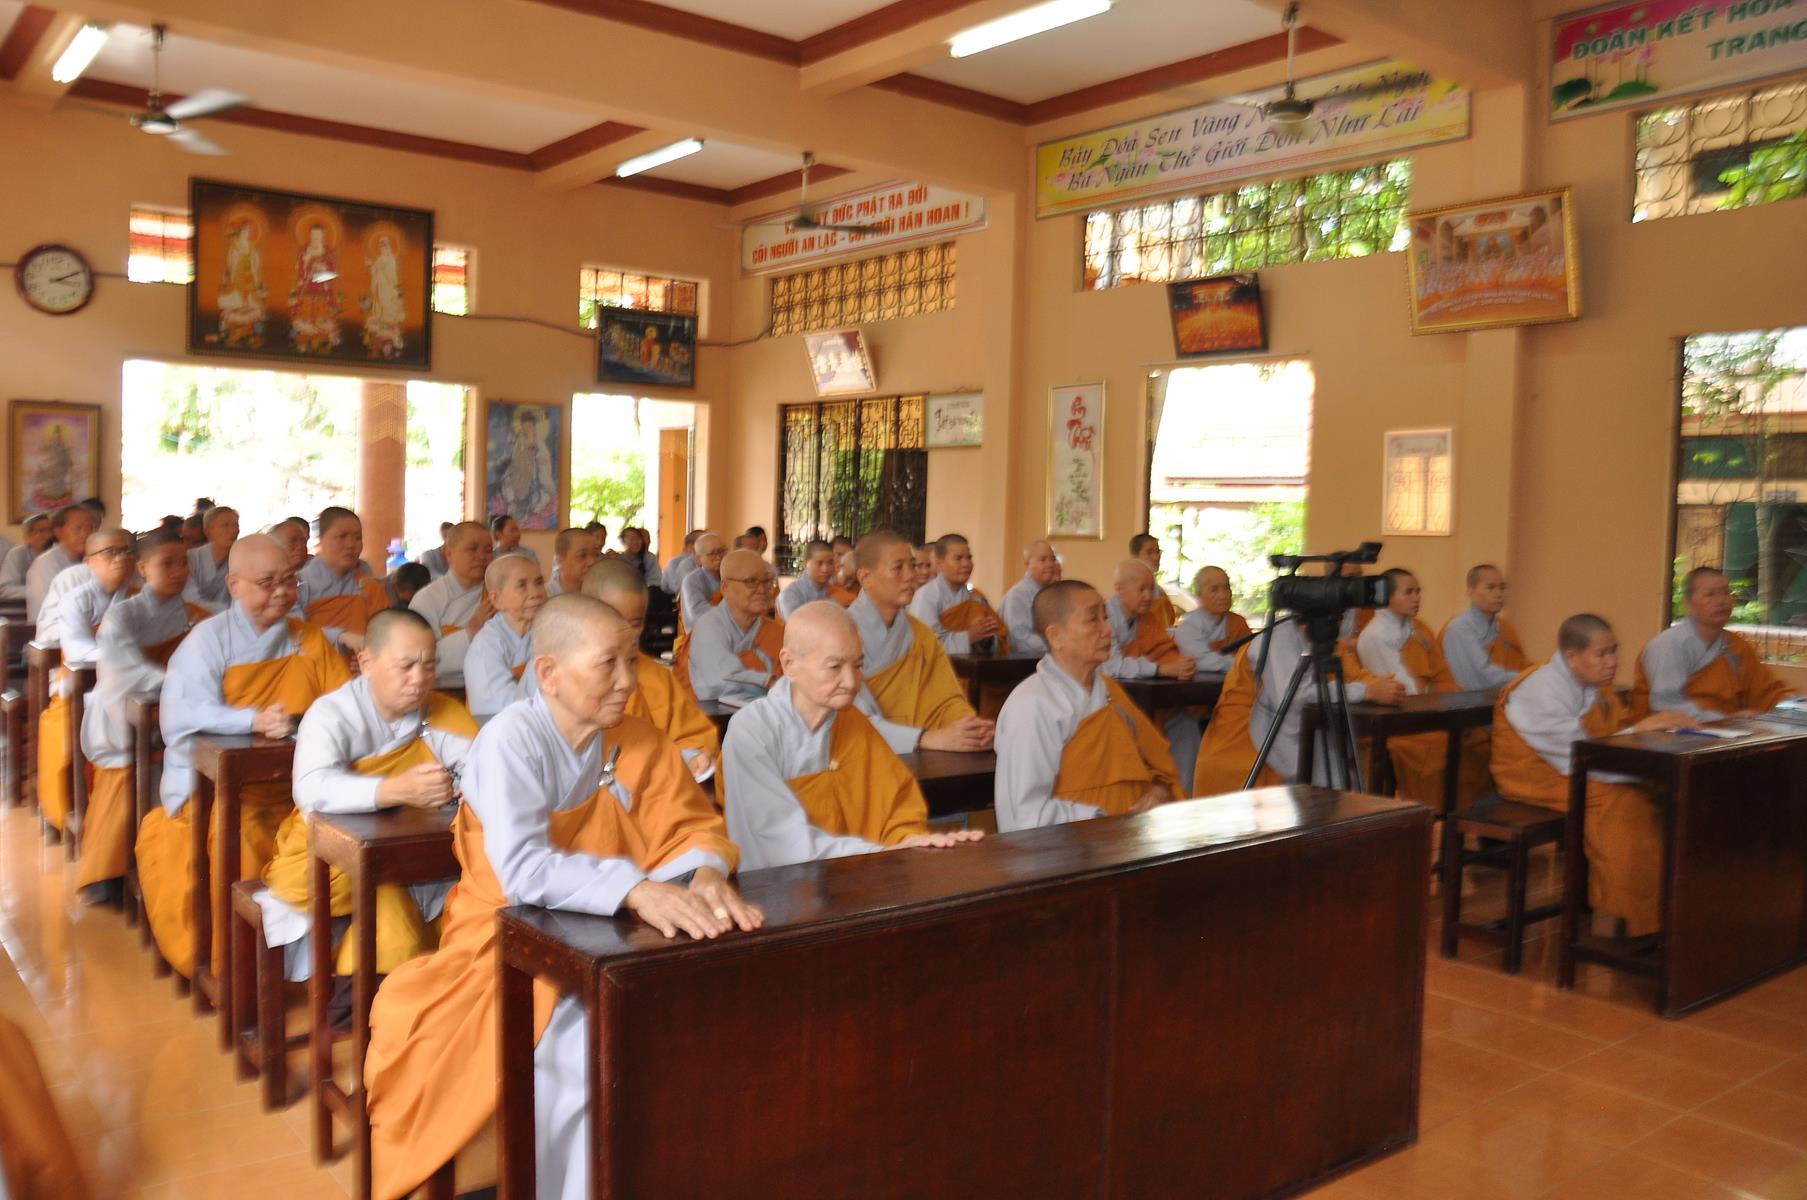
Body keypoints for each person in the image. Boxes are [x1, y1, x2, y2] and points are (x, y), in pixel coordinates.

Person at [364, 595, 761, 1200]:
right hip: (508, 942)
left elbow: (691, 827)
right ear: (548, 672)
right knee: (585, 1049)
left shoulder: (641, 740)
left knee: (705, 1016)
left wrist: (706, 870)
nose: (628, 681)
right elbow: (523, 872)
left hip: (618, 935)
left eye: (631, 660)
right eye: (608, 664)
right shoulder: (509, 742)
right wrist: (634, 888)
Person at [137, 534, 351, 979]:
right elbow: (181, 716)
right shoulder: (207, 640)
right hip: (223, 794)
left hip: (302, 788)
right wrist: (251, 721)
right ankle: (247, 966)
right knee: (246, 839)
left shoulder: (309, 638)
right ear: (234, 585)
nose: (282, 592)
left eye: (289, 580)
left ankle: (329, 960)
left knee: (349, 834)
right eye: (267, 582)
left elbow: (344, 706)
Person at [261, 610, 477, 982]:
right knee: (390, 906)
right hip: (331, 856)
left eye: (429, 666)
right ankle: (377, 992)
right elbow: (311, 788)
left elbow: (484, 767)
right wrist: (394, 789)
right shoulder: (332, 715)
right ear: (366, 663)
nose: (419, 679)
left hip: (412, 852)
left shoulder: (440, 711)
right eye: (406, 666)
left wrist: (464, 786)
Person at [724, 601, 983, 870]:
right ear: (789, 664)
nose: (851, 682)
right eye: (834, 667)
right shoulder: (752, 731)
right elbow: (782, 840)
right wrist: (882, 852)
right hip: (778, 886)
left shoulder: (852, 722)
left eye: (858, 666)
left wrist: (911, 841)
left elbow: (897, 807)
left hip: (860, 876)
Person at [1493, 614, 1689, 937]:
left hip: (1581, 766)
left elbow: (1604, 739)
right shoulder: (1541, 691)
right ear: (1572, 656)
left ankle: (1669, 910)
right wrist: (1641, 732)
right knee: (1626, 804)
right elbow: (1578, 757)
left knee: (1664, 792)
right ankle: (1631, 919)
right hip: (1537, 778)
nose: (1612, 662)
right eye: (1602, 654)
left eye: (1614, 651)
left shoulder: (1592, 686)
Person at [76, 531, 208, 902]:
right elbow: (125, 670)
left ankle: (171, 865)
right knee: (128, 771)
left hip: (181, 712)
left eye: (184, 562)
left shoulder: (196, 614)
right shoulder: (123, 615)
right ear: (143, 568)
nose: (179, 571)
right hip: (125, 716)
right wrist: (180, 684)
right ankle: (109, 870)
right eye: (168, 563)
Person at [995, 580, 1182, 830]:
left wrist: (1158, 791)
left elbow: (1158, 765)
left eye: (1106, 617)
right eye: (1093, 620)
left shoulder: (1110, 691)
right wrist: (1103, 819)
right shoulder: (1032, 706)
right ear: (1056, 636)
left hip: (1131, 835)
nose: (1108, 630)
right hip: (1072, 845)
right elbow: (1025, 815)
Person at [1194, 610, 1405, 797]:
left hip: (1303, 730)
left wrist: (1379, 686)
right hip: (1249, 738)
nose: (1342, 623)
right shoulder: (1277, 638)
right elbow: (1294, 695)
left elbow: (1353, 675)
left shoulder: (1325, 640)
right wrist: (1365, 691)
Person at [847, 531, 994, 753]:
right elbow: (852, 719)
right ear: (865, 577)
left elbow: (946, 700)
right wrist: (924, 738)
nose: (910, 576)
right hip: (867, 753)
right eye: (898, 568)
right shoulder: (840, 636)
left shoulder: (920, 635)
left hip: (923, 750)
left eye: (912, 566)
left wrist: (970, 727)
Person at [1357, 567, 1490, 807]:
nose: (1416, 598)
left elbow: (1442, 673)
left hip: (1432, 709)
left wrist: (1450, 700)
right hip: (1402, 720)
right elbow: (1404, 690)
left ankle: (1472, 815)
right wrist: (1436, 699)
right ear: (1387, 596)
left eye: (1418, 591)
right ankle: (1438, 812)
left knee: (1480, 739)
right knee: (1441, 749)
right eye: (1408, 592)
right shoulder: (1374, 636)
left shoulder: (1418, 629)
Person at [34, 527, 136, 838]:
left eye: (126, 551)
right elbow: (79, 651)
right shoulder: (75, 599)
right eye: (110, 552)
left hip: (133, 686)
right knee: (68, 732)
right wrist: (127, 656)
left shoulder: (141, 595)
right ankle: (71, 811)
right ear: (89, 561)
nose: (120, 558)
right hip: (81, 688)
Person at [581, 559, 720, 782]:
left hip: (652, 786)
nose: (626, 633)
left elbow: (691, 734)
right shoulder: (564, 675)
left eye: (635, 623)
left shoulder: (656, 677)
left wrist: (691, 757)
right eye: (615, 620)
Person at [1630, 566, 1797, 720]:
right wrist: (1725, 719)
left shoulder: (1736, 646)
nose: (1721, 601)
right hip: (1665, 735)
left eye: (1726, 593)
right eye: (1710, 594)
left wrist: (1795, 706)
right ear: (1688, 603)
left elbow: (1766, 692)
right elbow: (1667, 706)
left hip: (1726, 732)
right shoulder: (1669, 645)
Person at [1105, 559, 1201, 787]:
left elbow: (1164, 651)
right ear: (1119, 589)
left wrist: (1180, 665)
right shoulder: (1103, 617)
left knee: (1186, 725)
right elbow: (1111, 666)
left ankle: (1181, 795)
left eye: (1152, 589)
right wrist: (1162, 669)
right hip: (1112, 701)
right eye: (1141, 589)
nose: (1149, 596)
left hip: (1149, 700)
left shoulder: (1148, 618)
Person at [676, 549, 782, 702]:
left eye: (767, 582)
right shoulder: (708, 627)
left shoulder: (777, 631)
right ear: (725, 587)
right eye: (751, 582)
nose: (762, 590)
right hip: (713, 714)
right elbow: (722, 681)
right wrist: (773, 683)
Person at [408, 521, 495, 689]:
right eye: (473, 549)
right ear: (449, 554)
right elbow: (418, 656)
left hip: (491, 685)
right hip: (442, 689)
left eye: (488, 550)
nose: (482, 557)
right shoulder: (428, 598)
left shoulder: (498, 593)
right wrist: (471, 631)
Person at [464, 553, 549, 719]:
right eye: (522, 585)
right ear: (497, 599)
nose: (536, 593)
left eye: (539, 583)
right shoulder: (485, 646)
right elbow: (503, 715)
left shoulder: (548, 631)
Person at [297, 505, 391, 653]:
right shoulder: (300, 584)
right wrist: (341, 637)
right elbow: (293, 633)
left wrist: (370, 656)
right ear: (321, 540)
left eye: (357, 538)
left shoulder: (369, 586)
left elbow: (386, 634)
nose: (351, 544)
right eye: (341, 536)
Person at [909, 533, 1008, 654]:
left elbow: (999, 638)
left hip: (974, 664)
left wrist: (987, 638)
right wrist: (968, 637)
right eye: (958, 558)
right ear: (940, 563)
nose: (966, 564)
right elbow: (925, 644)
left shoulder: (976, 597)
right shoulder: (926, 596)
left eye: (969, 558)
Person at [1439, 563, 1532, 690]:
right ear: (1471, 591)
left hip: (1502, 697)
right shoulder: (1459, 628)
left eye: (1502, 587)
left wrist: (1538, 672)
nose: (1498, 594)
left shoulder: (1505, 629)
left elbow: (1520, 664)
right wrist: (1528, 677)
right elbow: (1482, 677)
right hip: (1466, 700)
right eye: (1490, 588)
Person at [23, 503, 96, 621]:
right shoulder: (45, 564)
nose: (86, 534)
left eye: (90, 528)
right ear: (58, 532)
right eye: (78, 529)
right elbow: (51, 613)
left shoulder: (93, 559)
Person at [1173, 566, 1252, 673]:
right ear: (1199, 595)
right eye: (1214, 589)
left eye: (1226, 588)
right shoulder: (1189, 625)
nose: (1223, 595)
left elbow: (1252, 654)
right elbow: (1199, 661)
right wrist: (1242, 665)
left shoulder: (1238, 622)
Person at [999, 540, 1062, 654]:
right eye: (1043, 560)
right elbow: (1020, 640)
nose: (1050, 565)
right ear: (1027, 564)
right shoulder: (1018, 595)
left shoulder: (1050, 593)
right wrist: (1059, 644)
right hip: (1024, 661)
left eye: (1053, 559)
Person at [183, 505, 240, 613]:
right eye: (226, 525)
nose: (234, 530)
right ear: (208, 532)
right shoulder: (191, 558)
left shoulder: (239, 560)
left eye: (236, 525)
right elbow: (190, 599)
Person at [679, 531, 727, 627]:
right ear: (698, 559)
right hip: (703, 631)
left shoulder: (731, 576)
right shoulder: (691, 581)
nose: (719, 557)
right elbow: (699, 614)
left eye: (722, 551)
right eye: (712, 553)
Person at [1128, 533, 1177, 628]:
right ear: (1135, 556)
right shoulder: (1129, 588)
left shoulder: (1159, 591)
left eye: (1157, 552)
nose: (1156, 557)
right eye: (1149, 552)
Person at [777, 539, 836, 618]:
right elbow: (796, 622)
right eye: (819, 563)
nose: (825, 569)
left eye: (830, 563)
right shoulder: (791, 594)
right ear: (805, 563)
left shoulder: (835, 590)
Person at [0, 513, 51, 603]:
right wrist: (39, 591)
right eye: (42, 531)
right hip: (21, 607)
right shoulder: (17, 554)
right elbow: (5, 590)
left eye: (50, 530)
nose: (48, 535)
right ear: (28, 536)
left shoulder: (58, 553)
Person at [545, 526, 601, 598]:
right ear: (560, 560)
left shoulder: (601, 595)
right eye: (582, 555)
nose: (592, 562)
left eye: (596, 555)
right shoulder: (546, 597)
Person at [661, 528, 702, 597]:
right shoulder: (683, 562)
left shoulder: (673, 561)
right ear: (691, 546)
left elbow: (664, 586)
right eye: (703, 542)